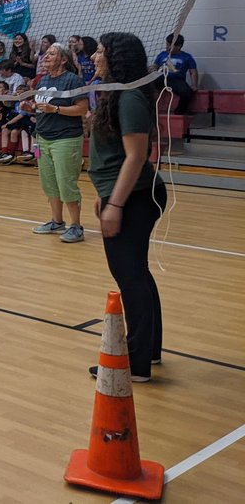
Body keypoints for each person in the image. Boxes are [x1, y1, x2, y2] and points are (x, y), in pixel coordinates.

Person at [89, 32, 166, 382]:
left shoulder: (130, 97)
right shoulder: (117, 92)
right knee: (137, 274)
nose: (94, 57)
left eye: (101, 52)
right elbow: (115, 155)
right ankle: (147, 351)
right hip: (123, 192)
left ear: (116, 58)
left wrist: (115, 203)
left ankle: (136, 364)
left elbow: (137, 156)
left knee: (130, 277)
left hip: (135, 196)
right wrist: (104, 193)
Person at [23, 43, 89, 243]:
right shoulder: (42, 80)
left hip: (66, 139)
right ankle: (57, 221)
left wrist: (56, 110)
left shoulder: (73, 80)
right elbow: (42, 108)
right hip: (42, 138)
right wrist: (31, 108)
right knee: (49, 183)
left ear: (64, 59)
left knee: (66, 183)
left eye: (52, 54)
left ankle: (76, 226)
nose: (46, 57)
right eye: (46, 54)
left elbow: (82, 109)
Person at [153, 33, 199, 114]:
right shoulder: (162, 54)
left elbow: (193, 72)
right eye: (167, 44)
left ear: (178, 46)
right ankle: (150, 110)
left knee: (187, 92)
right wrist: (152, 69)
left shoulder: (187, 57)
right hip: (161, 78)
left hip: (176, 81)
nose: (167, 47)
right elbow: (155, 66)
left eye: (170, 45)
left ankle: (179, 112)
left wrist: (194, 84)